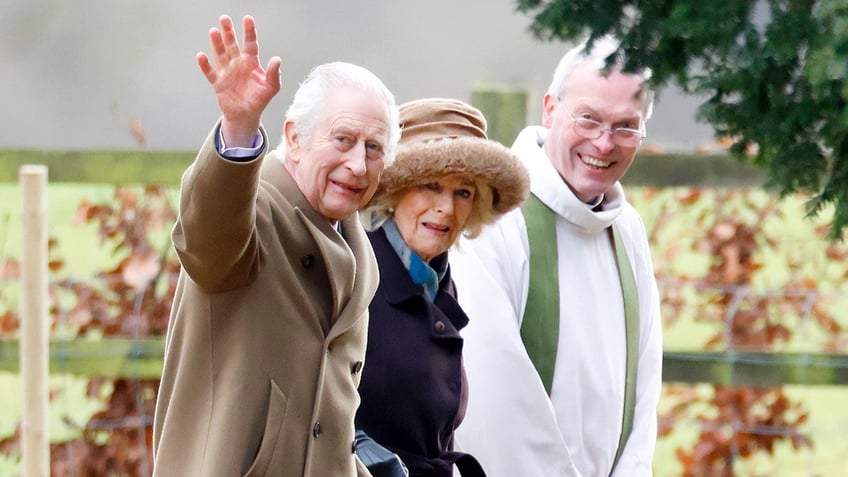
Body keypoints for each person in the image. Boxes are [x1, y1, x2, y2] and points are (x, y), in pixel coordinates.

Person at [152, 14, 401, 477]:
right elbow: (206, 240)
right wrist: (239, 129)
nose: (358, 164)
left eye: (374, 148)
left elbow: (326, 419)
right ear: (294, 138)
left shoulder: (356, 247)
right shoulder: (254, 212)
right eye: (343, 139)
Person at [449, 36, 664, 477]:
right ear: (550, 109)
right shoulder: (494, 218)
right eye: (588, 119)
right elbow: (492, 393)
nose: (604, 144)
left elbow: (645, 386)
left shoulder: (628, 231)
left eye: (625, 126)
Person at [355, 98, 530, 477]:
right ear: (394, 190)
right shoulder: (354, 272)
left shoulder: (437, 279)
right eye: (430, 186)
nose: (446, 209)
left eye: (463, 192)